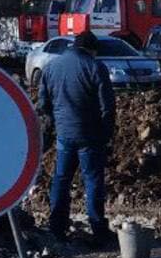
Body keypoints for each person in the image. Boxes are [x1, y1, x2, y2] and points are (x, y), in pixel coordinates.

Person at [38, 30, 117, 245]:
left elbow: (43, 104)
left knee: (61, 179)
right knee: (92, 181)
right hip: (90, 135)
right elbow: (107, 106)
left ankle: (57, 227)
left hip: (64, 134)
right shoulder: (94, 67)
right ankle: (98, 229)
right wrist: (107, 134)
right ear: (92, 49)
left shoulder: (51, 67)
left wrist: (55, 124)